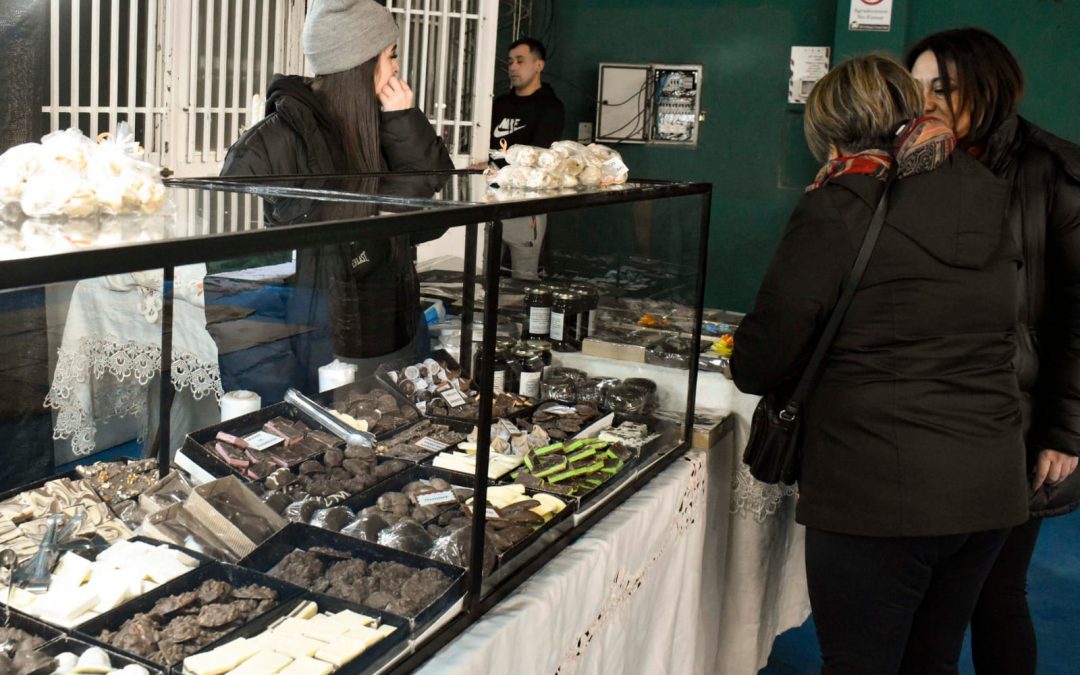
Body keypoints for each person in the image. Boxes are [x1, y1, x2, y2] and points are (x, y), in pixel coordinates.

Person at [731, 54, 1028, 674]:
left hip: (878, 488)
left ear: (833, 130)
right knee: (933, 660)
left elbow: (761, 361)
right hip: (990, 483)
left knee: (859, 663)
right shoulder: (990, 192)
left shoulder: (840, 202)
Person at [906, 28, 1080, 675]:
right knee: (934, 598)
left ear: (989, 86)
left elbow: (1076, 317)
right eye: (917, 87)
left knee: (996, 591)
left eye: (942, 88)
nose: (925, 101)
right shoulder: (920, 158)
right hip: (933, 416)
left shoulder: (1053, 169)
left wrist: (1065, 432)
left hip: (1021, 422)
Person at [218, 0, 452, 390]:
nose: (395, 67)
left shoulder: (384, 120)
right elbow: (234, 230)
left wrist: (404, 121)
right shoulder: (279, 136)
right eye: (390, 56)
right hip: (323, 333)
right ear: (360, 63)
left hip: (395, 320)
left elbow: (433, 220)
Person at [489, 37, 565, 280]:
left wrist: (498, 167)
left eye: (520, 61)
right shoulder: (498, 104)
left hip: (525, 204)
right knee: (482, 275)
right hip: (489, 200)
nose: (512, 67)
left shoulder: (550, 107)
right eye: (510, 62)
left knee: (524, 278)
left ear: (538, 65)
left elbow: (538, 156)